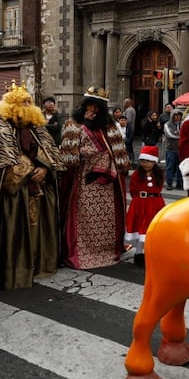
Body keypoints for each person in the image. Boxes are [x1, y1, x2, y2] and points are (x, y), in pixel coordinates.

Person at [0, 84, 64, 289]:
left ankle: (38, 264)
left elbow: (50, 152)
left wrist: (45, 170)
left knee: (38, 229)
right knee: (15, 230)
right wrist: (30, 171)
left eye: (29, 102)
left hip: (38, 188)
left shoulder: (36, 127)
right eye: (23, 103)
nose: (28, 106)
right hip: (13, 194)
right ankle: (15, 270)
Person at [58, 87, 132, 269]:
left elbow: (121, 155)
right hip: (84, 181)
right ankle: (82, 250)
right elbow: (69, 158)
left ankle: (107, 248)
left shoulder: (110, 127)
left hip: (108, 184)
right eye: (89, 107)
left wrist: (119, 167)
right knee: (85, 218)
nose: (93, 111)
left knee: (108, 217)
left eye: (96, 108)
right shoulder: (72, 125)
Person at [123, 145, 165, 267]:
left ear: (154, 162)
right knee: (140, 227)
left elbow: (160, 186)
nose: (145, 164)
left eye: (148, 161)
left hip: (155, 203)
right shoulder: (137, 174)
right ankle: (139, 252)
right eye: (143, 161)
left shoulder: (159, 174)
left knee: (151, 227)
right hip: (140, 203)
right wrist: (139, 199)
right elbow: (133, 189)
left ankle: (151, 251)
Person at [163, 110, 183, 190]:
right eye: (176, 115)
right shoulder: (167, 124)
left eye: (179, 115)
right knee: (170, 167)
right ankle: (169, 183)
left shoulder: (183, 123)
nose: (177, 117)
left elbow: (186, 134)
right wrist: (180, 136)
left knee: (180, 167)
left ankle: (179, 183)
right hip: (171, 149)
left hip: (181, 149)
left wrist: (179, 134)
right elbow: (169, 134)